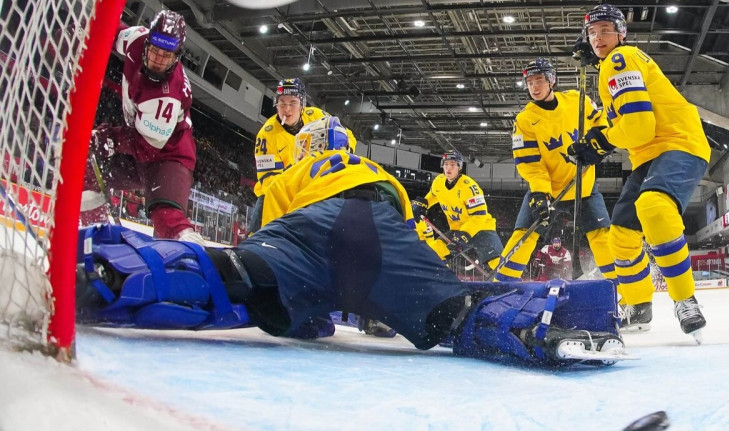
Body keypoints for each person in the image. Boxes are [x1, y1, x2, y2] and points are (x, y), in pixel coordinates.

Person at [74, 116, 630, 367]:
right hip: (367, 224)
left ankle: (114, 271)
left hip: (293, 230)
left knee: (238, 276)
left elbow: (273, 226)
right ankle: (549, 325)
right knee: (454, 314)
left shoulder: (294, 173)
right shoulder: (368, 169)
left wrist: (306, 308)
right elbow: (393, 228)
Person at [569, 4, 709, 337]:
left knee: (654, 207)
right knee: (622, 234)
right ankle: (638, 306)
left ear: (621, 33)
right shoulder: (613, 66)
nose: (598, 37)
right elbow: (625, 122)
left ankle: (685, 300)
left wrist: (600, 144)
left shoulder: (620, 60)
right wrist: (595, 139)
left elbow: (639, 127)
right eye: (592, 32)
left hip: (678, 143)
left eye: (605, 30)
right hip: (649, 154)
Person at [493, 58, 620, 290]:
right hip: (547, 190)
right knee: (523, 236)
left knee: (602, 236)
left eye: (539, 80)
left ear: (551, 80)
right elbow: (530, 163)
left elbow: (602, 122)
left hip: (583, 185)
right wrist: (540, 193)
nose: (534, 87)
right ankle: (500, 287)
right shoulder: (524, 120)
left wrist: (597, 143)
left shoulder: (577, 101)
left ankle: (620, 289)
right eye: (529, 82)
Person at [80, 10, 203, 244]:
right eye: (154, 51)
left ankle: (195, 262)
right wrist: (84, 31)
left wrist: (109, 138)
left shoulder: (167, 96)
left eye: (165, 55)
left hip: (168, 156)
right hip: (138, 147)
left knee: (167, 217)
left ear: (177, 57)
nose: (157, 60)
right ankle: (94, 234)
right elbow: (110, 32)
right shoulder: (136, 39)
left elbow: (147, 148)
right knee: (84, 163)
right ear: (147, 42)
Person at [250, 78, 357, 232]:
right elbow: (269, 183)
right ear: (276, 104)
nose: (287, 109)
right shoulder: (266, 135)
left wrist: (342, 153)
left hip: (314, 186)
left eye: (292, 103)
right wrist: (297, 180)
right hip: (278, 194)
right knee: (258, 237)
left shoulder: (317, 116)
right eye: (282, 103)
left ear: (302, 104)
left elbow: (348, 136)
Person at [411, 149, 503, 272]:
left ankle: (510, 284)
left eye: (452, 165)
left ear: (459, 167)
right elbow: (433, 195)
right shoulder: (438, 182)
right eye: (446, 164)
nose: (448, 168)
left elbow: (479, 216)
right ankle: (443, 281)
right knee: (433, 252)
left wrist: (464, 235)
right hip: (457, 229)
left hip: (481, 229)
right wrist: (423, 204)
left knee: (496, 263)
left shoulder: (469, 187)